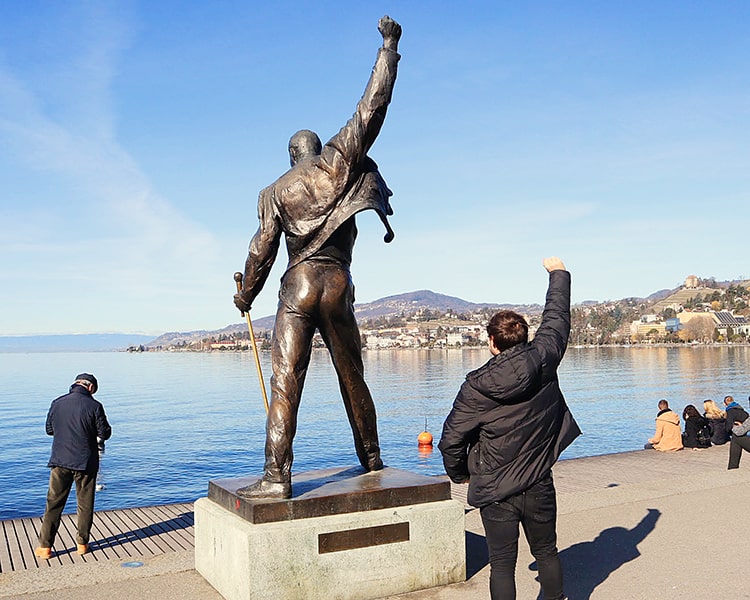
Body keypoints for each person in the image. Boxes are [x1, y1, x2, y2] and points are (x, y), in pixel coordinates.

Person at [233, 16, 402, 499]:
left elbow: (261, 250)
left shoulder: (274, 192)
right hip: (339, 283)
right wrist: (388, 48)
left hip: (299, 284)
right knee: (354, 377)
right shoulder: (338, 163)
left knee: (287, 380)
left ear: (291, 155)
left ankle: (276, 477)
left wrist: (245, 293)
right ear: (315, 150)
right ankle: (371, 459)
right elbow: (373, 107)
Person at [439, 257, 580, 600]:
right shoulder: (545, 356)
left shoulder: (475, 387)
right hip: (538, 481)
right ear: (525, 336)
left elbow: (451, 441)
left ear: (491, 341)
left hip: (495, 488)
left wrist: (460, 475)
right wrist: (558, 274)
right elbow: (557, 318)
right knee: (546, 552)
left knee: (502, 563)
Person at [35, 373, 112, 559]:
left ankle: (45, 547)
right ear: (91, 387)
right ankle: (82, 544)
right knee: (84, 505)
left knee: (53, 504)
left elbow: (49, 430)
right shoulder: (95, 406)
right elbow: (105, 433)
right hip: (86, 463)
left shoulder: (57, 403)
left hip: (60, 461)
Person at [724, 395, 750, 470]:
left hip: (739, 431)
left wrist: (734, 426)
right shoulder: (743, 412)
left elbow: (740, 431)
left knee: (736, 438)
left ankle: (733, 467)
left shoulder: (730, 412)